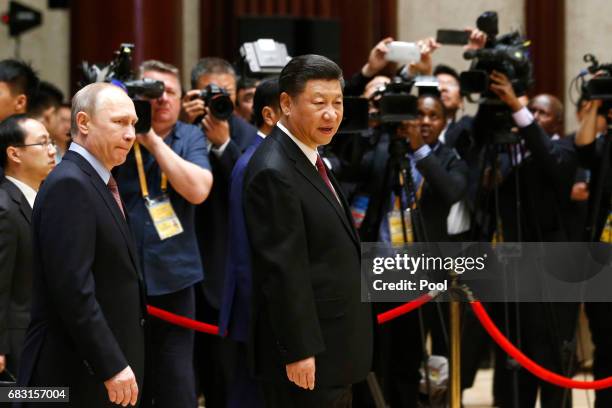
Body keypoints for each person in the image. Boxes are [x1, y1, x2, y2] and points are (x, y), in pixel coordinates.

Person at [243, 54, 373, 407]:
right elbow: (283, 270)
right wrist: (299, 350)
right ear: (286, 103)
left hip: (334, 345)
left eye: (337, 102)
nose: (331, 114)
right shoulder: (274, 168)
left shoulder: (309, 154)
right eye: (319, 103)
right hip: (310, 355)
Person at [18, 82, 146, 407]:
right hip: (73, 374)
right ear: (84, 123)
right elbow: (73, 290)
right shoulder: (71, 184)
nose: (130, 134)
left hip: (94, 370)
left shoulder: (96, 180)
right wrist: (111, 365)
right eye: (119, 122)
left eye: (133, 123)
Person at [114, 60, 213, 408]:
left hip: (176, 275)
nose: (162, 99)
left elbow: (199, 190)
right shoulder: (115, 134)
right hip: (121, 276)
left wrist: (152, 141)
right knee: (125, 381)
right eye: (152, 92)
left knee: (176, 381)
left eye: (170, 91)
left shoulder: (191, 136)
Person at [185, 56, 257, 407]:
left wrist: (223, 144)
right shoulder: (181, 131)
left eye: (225, 92)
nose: (218, 99)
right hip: (182, 265)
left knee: (225, 373)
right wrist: (187, 125)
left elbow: (250, 195)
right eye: (210, 92)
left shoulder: (246, 133)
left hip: (224, 269)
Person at [219, 77, 281, 408]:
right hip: (257, 313)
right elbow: (246, 252)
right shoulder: (255, 163)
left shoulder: (273, 157)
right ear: (270, 115)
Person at [0, 115, 56, 378]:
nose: (52, 150)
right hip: (14, 342)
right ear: (14, 154)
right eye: (42, 143)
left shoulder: (39, 199)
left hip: (38, 334)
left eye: (51, 142)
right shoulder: (5, 207)